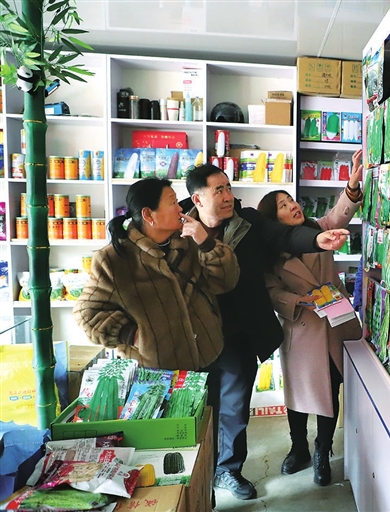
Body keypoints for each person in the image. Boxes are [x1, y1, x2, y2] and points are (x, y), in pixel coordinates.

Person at [181, 164, 349, 500]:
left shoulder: (247, 222)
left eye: (229, 188)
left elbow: (284, 235)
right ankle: (198, 478)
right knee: (197, 409)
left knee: (234, 408)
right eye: (218, 190)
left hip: (238, 331)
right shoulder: (179, 229)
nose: (228, 196)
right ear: (197, 199)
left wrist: (317, 239)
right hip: (194, 335)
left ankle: (229, 471)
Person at [256, 149, 364, 487]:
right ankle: (298, 447)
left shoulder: (319, 228)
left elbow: (340, 213)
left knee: (331, 389)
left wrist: (351, 185)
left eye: (291, 200)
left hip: (334, 324)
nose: (293, 206)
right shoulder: (271, 254)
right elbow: (270, 290)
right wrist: (296, 300)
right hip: (301, 328)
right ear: (273, 219)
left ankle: (322, 450)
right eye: (283, 205)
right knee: (299, 395)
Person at [74, 177, 239, 371]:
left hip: (207, 354)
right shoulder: (113, 260)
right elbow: (86, 313)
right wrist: (133, 336)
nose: (180, 208)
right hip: (155, 369)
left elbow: (226, 281)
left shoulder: (189, 241)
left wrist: (207, 243)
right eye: (172, 203)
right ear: (148, 214)